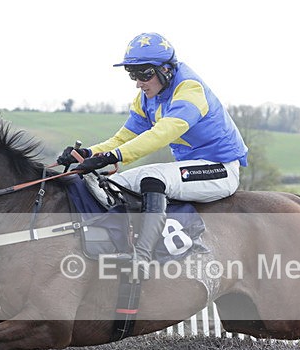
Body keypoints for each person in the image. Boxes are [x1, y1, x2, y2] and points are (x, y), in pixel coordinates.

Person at [57, 32, 248, 274]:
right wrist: (87, 153)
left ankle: (143, 257)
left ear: (166, 70)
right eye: (132, 74)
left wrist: (114, 156)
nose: (138, 82)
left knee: (153, 178)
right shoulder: (147, 98)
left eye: (144, 74)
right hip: (191, 168)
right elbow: (123, 137)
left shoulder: (190, 89)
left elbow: (161, 134)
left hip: (220, 169)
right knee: (112, 184)